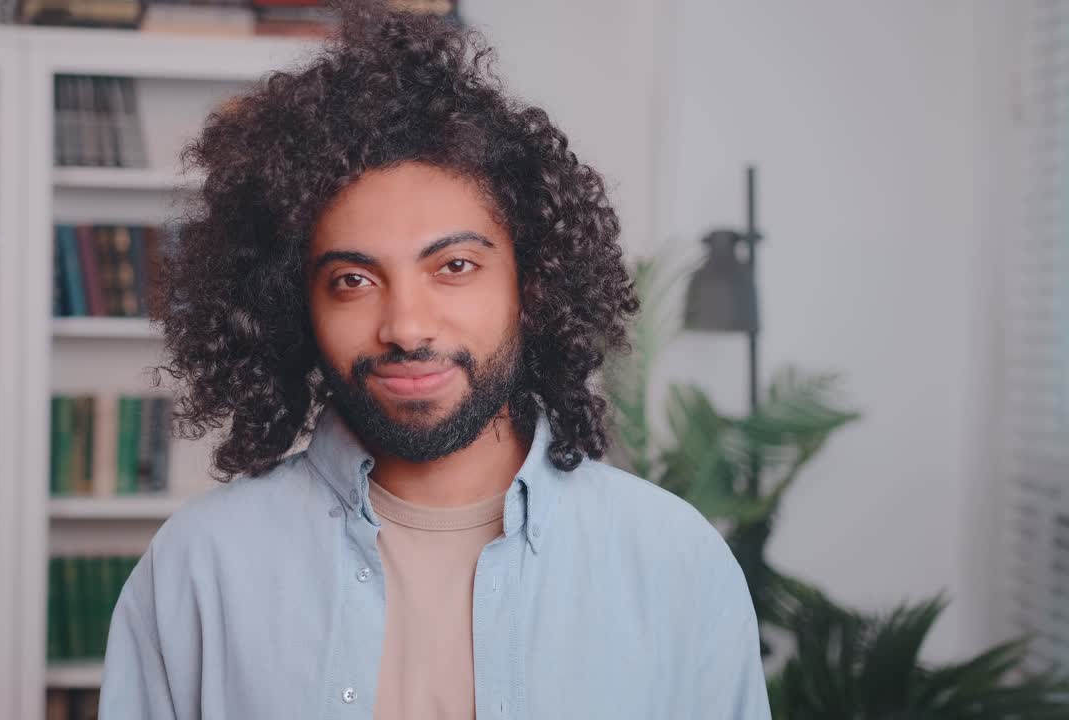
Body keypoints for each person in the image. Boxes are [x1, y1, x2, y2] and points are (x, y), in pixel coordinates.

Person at [100, 1, 770, 718]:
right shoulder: (199, 572)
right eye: (353, 280)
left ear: (531, 283)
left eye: (454, 266)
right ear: (294, 305)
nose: (406, 326)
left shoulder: (675, 564)